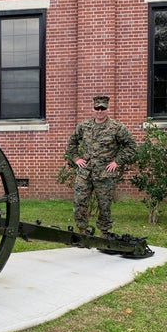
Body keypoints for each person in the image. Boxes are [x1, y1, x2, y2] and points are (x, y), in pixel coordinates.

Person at [66, 95, 136, 238]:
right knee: (80, 202)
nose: (99, 111)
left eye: (102, 108)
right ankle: (82, 232)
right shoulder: (84, 127)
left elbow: (131, 146)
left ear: (107, 109)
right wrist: (76, 158)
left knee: (104, 205)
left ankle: (104, 234)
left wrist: (117, 161)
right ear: (93, 109)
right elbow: (71, 144)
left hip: (104, 174)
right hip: (85, 172)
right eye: (97, 108)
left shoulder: (116, 128)